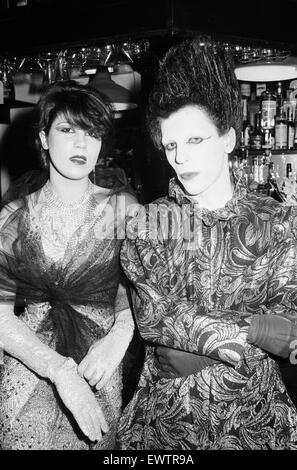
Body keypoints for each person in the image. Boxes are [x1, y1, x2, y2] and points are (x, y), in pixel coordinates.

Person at [117, 38, 297, 450]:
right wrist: (256, 330)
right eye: (171, 145)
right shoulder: (147, 224)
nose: (181, 159)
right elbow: (153, 318)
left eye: (195, 141)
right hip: (166, 423)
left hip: (257, 418)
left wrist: (200, 349)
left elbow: (290, 328)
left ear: (229, 139)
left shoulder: (279, 221)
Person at [0, 80, 138, 450]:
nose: (81, 144)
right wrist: (58, 370)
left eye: (92, 133)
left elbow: (143, 292)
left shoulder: (123, 211)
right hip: (30, 376)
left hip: (99, 372)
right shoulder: (12, 218)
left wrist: (119, 337)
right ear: (44, 138)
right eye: (67, 129)